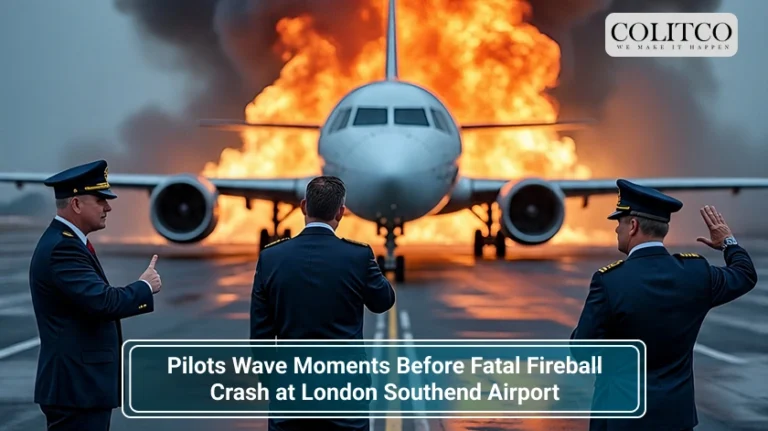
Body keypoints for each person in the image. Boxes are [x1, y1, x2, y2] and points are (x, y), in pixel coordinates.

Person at [571, 179, 757, 431]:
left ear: (633, 226)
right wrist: (728, 242)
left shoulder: (609, 281)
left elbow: (583, 351)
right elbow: (745, 274)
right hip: (676, 418)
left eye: (619, 222)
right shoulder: (696, 272)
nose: (616, 230)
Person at [250, 175, 396, 431]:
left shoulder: (271, 257)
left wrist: (271, 382)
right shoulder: (358, 256)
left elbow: (261, 334)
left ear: (303, 207)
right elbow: (383, 301)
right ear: (341, 212)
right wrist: (368, 267)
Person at [29, 160, 162, 431]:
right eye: (100, 200)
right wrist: (144, 286)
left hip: (81, 388)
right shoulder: (63, 248)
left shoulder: (68, 242)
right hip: (76, 389)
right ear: (77, 204)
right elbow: (103, 302)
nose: (108, 207)